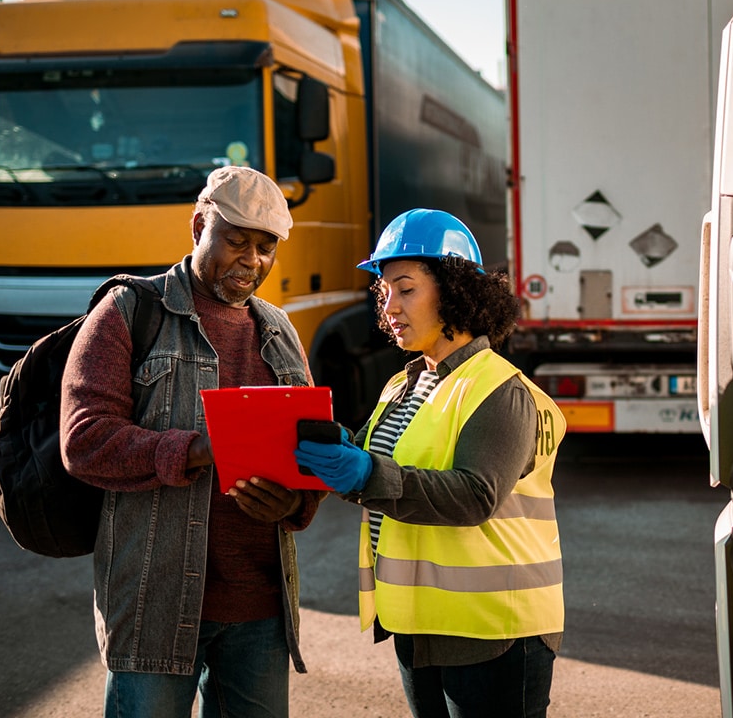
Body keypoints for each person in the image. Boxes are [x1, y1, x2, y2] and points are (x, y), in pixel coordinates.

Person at [60, 166, 325, 718]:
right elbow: (83, 439)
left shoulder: (280, 330)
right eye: (236, 241)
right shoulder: (129, 312)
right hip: (156, 602)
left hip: (259, 607)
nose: (252, 261)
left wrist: (297, 503)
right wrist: (199, 449)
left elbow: (309, 446)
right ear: (199, 224)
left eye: (266, 247)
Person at [294, 209, 567, 718]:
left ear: (456, 289)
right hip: (419, 625)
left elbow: (473, 496)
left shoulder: (499, 390)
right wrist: (340, 448)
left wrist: (365, 474)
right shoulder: (405, 383)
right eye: (383, 290)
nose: (389, 305)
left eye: (406, 288)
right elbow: (382, 462)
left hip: (493, 631)